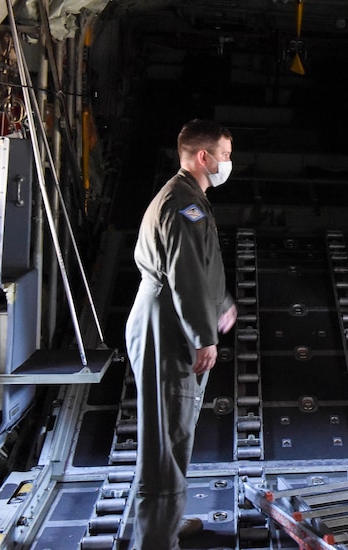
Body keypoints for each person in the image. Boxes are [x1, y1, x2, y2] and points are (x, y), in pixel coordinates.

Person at [125, 119, 238, 549]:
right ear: (203, 156)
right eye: (225, 154)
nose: (230, 162)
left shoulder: (190, 198)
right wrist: (203, 335)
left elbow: (201, 265)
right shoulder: (181, 204)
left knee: (176, 428)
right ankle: (156, 540)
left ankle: (165, 524)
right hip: (167, 326)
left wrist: (222, 303)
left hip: (173, 319)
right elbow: (186, 276)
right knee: (166, 440)